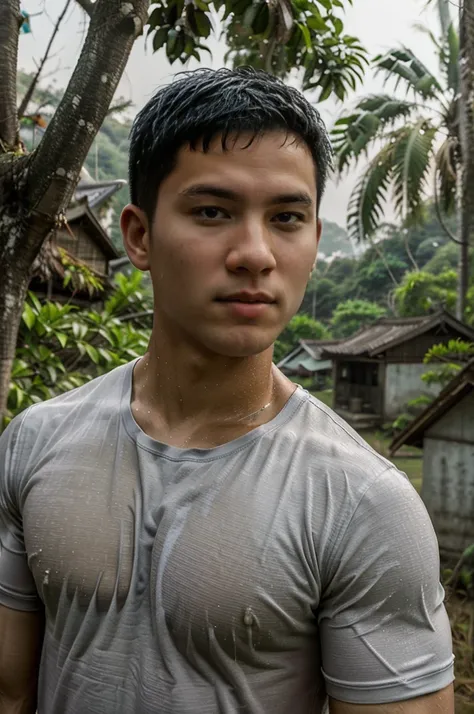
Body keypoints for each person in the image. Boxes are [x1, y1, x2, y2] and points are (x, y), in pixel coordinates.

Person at [0, 67, 454, 714]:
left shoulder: (362, 503)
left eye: (288, 218)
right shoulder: (35, 443)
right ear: (139, 236)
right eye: (211, 212)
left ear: (313, 241)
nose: (254, 253)